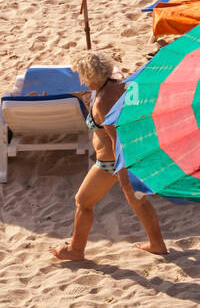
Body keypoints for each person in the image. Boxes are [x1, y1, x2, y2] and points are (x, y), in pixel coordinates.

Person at [51, 51, 167, 262]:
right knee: (138, 201)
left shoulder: (103, 101)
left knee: (83, 201)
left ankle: (75, 250)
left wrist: (123, 175)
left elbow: (116, 140)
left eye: (83, 77)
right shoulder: (120, 83)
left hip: (112, 161)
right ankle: (157, 244)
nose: (82, 82)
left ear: (90, 77)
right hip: (136, 153)